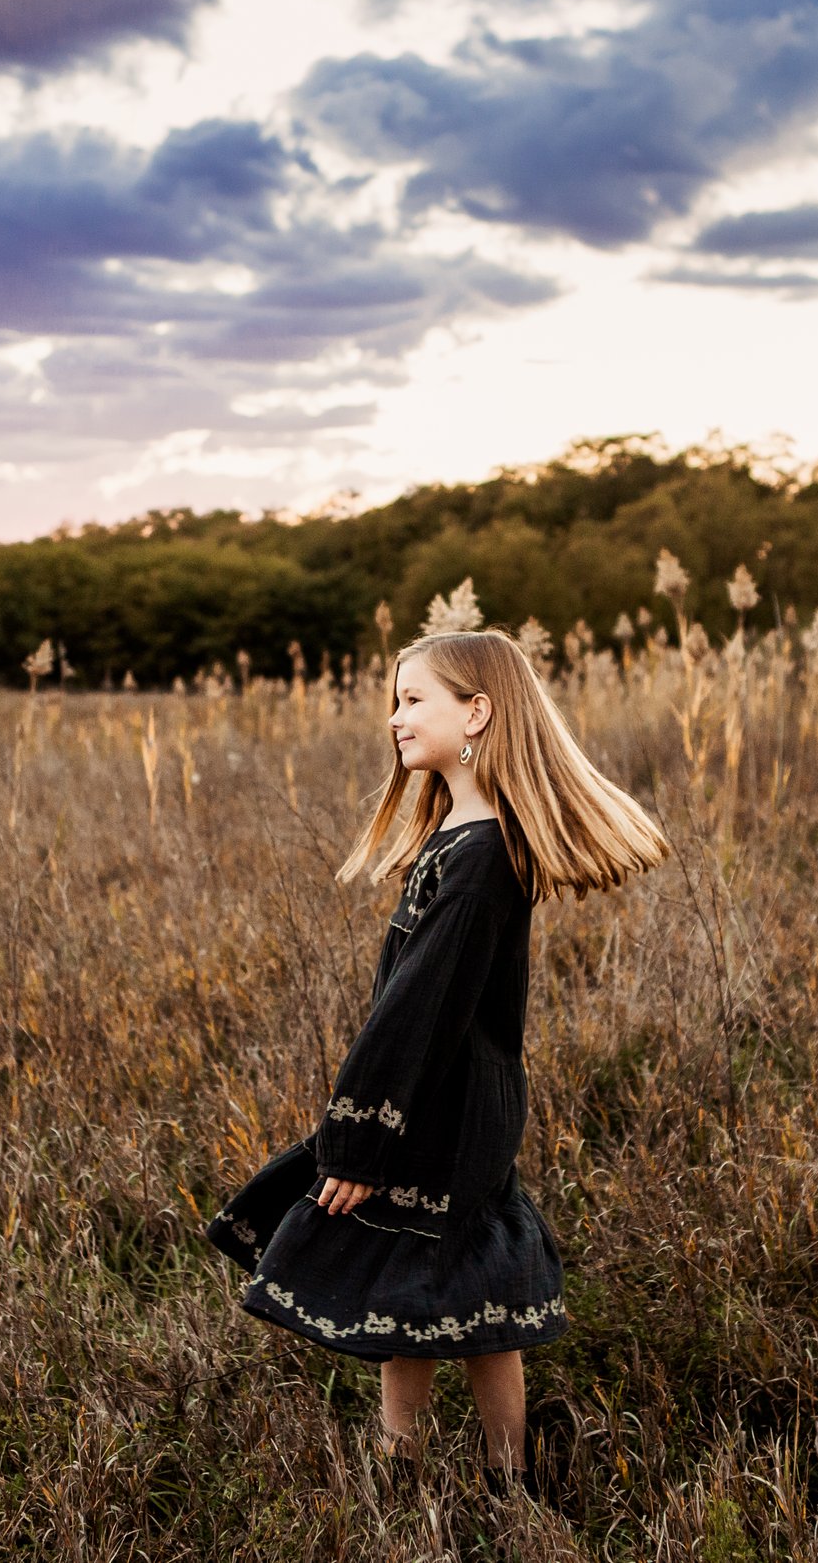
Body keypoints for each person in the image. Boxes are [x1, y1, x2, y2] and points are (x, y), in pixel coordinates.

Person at [204, 626, 671, 1488]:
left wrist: (358, 1136)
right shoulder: (461, 830)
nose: (395, 717)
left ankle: (508, 1470)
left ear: (478, 712)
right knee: (409, 1272)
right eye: (397, 698)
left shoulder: (486, 851)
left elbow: (419, 1008)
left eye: (415, 698)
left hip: (443, 1109)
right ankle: (407, 1466)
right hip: (451, 1100)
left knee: (459, 1272)